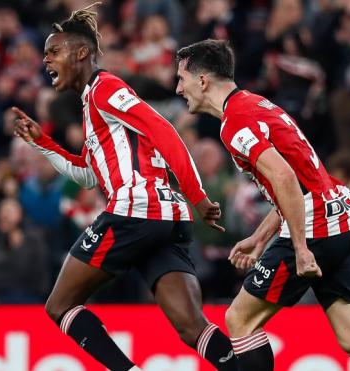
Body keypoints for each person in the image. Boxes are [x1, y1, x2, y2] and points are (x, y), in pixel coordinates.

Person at [175, 39, 350, 371]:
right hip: (345, 215)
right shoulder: (257, 104)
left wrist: (301, 247)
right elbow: (296, 180)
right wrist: (261, 238)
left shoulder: (235, 123)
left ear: (203, 81)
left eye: (182, 79)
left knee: (239, 320)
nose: (178, 88)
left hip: (316, 227)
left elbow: (286, 179)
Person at [12, 3, 236, 371]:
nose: (46, 60)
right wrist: (43, 142)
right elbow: (87, 174)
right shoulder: (91, 107)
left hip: (136, 210)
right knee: (191, 326)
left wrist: (198, 195)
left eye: (53, 51)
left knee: (60, 305)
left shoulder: (105, 88)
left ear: (80, 52)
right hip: (165, 217)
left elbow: (162, 129)